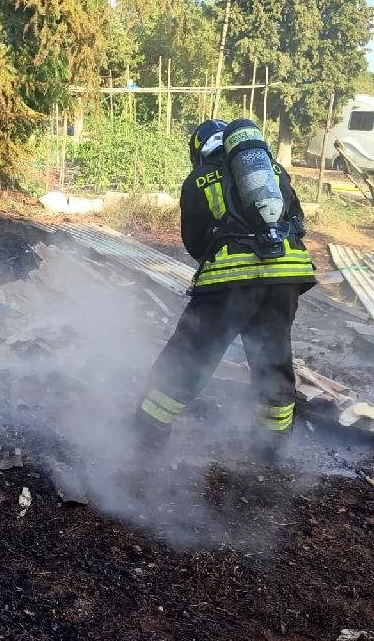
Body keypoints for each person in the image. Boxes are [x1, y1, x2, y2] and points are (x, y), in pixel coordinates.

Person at [132, 118, 316, 469]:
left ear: (199, 150)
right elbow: (298, 221)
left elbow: (196, 242)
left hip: (230, 281)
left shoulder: (198, 179)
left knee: (189, 357)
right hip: (286, 276)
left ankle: (147, 432)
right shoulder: (274, 172)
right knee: (273, 361)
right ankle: (271, 447)